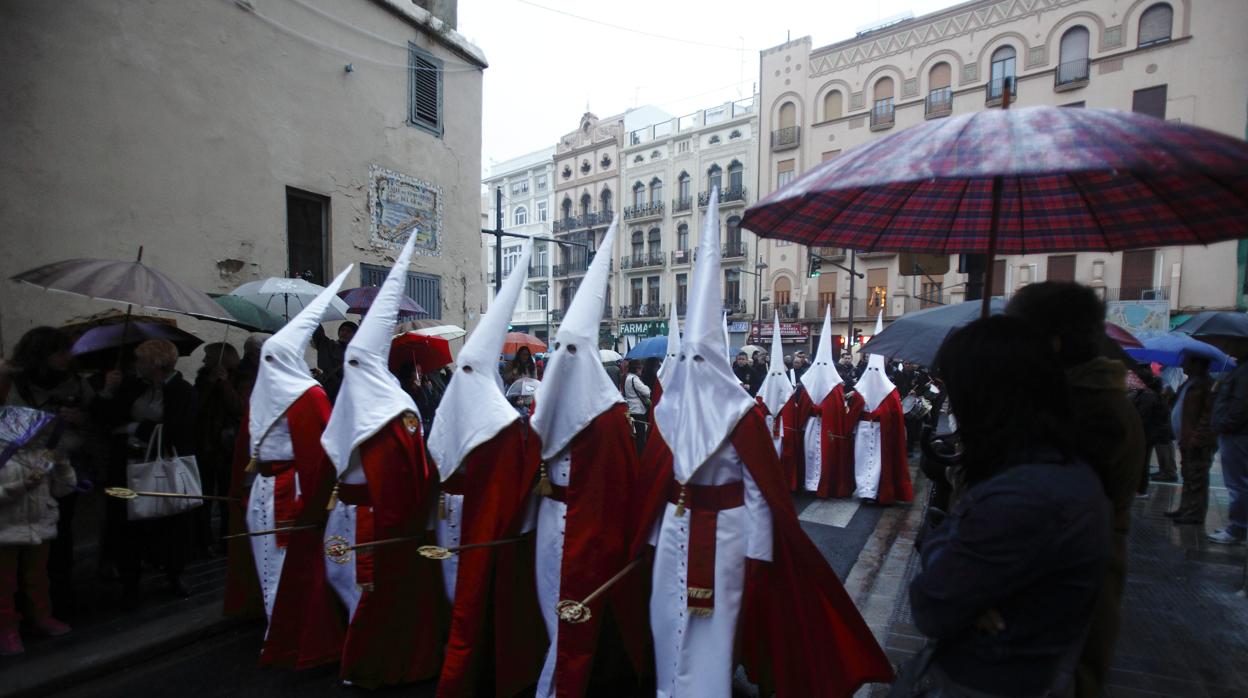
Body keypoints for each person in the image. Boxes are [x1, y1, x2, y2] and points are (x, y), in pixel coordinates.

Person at [634, 189, 891, 697]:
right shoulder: (669, 410)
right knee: (667, 617)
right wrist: (648, 534)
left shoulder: (743, 416)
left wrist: (758, 553)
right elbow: (658, 478)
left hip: (726, 533)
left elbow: (759, 492)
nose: (689, 374)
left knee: (712, 630)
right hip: (674, 529)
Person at [906, 315, 1111, 697]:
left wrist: (944, 536)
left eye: (960, 393)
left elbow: (931, 603)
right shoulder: (1049, 469)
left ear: (989, 397)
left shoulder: (1025, 497)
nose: (956, 407)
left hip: (993, 679)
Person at [1005, 281, 1145, 698]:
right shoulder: (1080, 399)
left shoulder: (1086, 411)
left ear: (1053, 344)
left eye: (1021, 339)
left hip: (1064, 587)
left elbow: (1027, 505)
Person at [530, 218, 647, 696]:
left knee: (573, 612)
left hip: (585, 530)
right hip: (548, 521)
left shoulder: (608, 413)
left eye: (570, 350)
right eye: (557, 348)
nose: (561, 358)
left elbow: (617, 485)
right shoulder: (545, 403)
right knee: (548, 607)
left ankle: (562, 684)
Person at [320, 234, 443, 689]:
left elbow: (409, 478)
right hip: (349, 517)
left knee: (380, 597)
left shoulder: (397, 414)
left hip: (382, 525)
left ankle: (375, 662)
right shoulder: (358, 403)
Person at [427, 241, 545, 697]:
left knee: (473, 595)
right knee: (456, 593)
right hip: (455, 516)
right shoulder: (486, 412)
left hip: (475, 521)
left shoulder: (496, 415)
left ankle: (471, 661)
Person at [243, 266, 350, 669]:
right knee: (268, 566)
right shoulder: (263, 392)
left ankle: (297, 637)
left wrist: (318, 500)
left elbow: (322, 454)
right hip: (264, 491)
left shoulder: (308, 396)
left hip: (293, 491)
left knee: (292, 568)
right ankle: (279, 630)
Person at [0, 326, 95, 620]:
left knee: (57, 537)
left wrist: (81, 418)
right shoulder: (11, 381)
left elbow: (93, 424)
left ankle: (54, 604)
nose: (67, 357)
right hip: (16, 470)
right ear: (41, 353)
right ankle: (13, 613)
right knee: (12, 546)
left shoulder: (77, 384)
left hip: (59, 467)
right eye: (59, 351)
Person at [95, 339, 198, 607]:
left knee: (169, 521)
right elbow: (107, 420)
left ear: (155, 363)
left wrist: (133, 428)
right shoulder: (131, 386)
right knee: (128, 527)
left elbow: (178, 430)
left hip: (164, 466)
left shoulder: (182, 391)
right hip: (128, 465)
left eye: (140, 359)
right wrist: (107, 391)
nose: (136, 364)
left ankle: (174, 574)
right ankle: (130, 581)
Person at [0, 404, 76, 655]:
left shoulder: (45, 454)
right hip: (6, 528)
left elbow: (63, 489)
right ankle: (6, 629)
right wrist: (22, 485)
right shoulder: (4, 455)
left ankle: (41, 616)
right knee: (5, 582)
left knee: (38, 577)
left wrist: (64, 466)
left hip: (39, 524)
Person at [849, 313, 913, 505]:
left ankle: (877, 490)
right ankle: (864, 490)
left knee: (878, 461)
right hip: (863, 430)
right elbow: (852, 412)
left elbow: (895, 415)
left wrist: (880, 415)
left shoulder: (890, 392)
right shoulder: (860, 389)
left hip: (880, 432)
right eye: (872, 370)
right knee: (862, 460)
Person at [794, 308, 855, 498]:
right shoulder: (807, 383)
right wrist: (812, 410)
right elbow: (802, 405)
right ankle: (810, 483)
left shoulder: (836, 387)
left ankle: (824, 483)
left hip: (828, 430)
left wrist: (824, 410)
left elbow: (838, 409)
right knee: (809, 451)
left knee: (826, 455)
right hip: (811, 425)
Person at [194, 342, 244, 549]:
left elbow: (239, 408)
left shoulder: (239, 378)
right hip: (206, 443)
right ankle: (203, 540)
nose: (205, 361)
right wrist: (208, 384)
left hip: (227, 446)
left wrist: (224, 384)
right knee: (204, 495)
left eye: (209, 357)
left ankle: (227, 538)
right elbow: (196, 406)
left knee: (227, 495)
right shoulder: (203, 378)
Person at [1164, 355, 1217, 525]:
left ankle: (1195, 512)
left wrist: (1198, 437)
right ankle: (1186, 507)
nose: (1182, 364)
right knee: (1188, 473)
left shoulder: (1206, 385)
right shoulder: (1189, 383)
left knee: (1197, 476)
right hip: (1185, 437)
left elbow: (1208, 416)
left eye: (1187, 361)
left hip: (1196, 440)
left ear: (1197, 363)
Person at [1210, 341, 1248, 544]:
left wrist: (1224, 424)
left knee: (1237, 482)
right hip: (1234, 431)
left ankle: (1237, 528)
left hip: (1236, 433)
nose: (1229, 347)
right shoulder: (1238, 369)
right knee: (1237, 481)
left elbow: (1240, 405)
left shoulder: (1244, 372)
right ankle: (1237, 526)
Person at [1127, 371, 1174, 494]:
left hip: (1146, 435)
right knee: (1143, 462)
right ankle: (1140, 488)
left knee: (1143, 463)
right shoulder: (1147, 394)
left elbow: (1142, 417)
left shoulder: (1148, 395)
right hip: (1148, 434)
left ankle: (1141, 490)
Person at [311, 321, 357, 402]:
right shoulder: (328, 345)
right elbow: (318, 333)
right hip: (326, 391)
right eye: (342, 330)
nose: (344, 333)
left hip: (346, 394)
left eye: (349, 331)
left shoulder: (357, 353)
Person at [623, 360, 652, 457]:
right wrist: (647, 387)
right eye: (640, 368)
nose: (641, 370)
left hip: (631, 408)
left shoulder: (627, 378)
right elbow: (647, 392)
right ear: (636, 369)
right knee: (640, 435)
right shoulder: (634, 379)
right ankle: (640, 455)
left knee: (635, 433)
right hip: (638, 410)